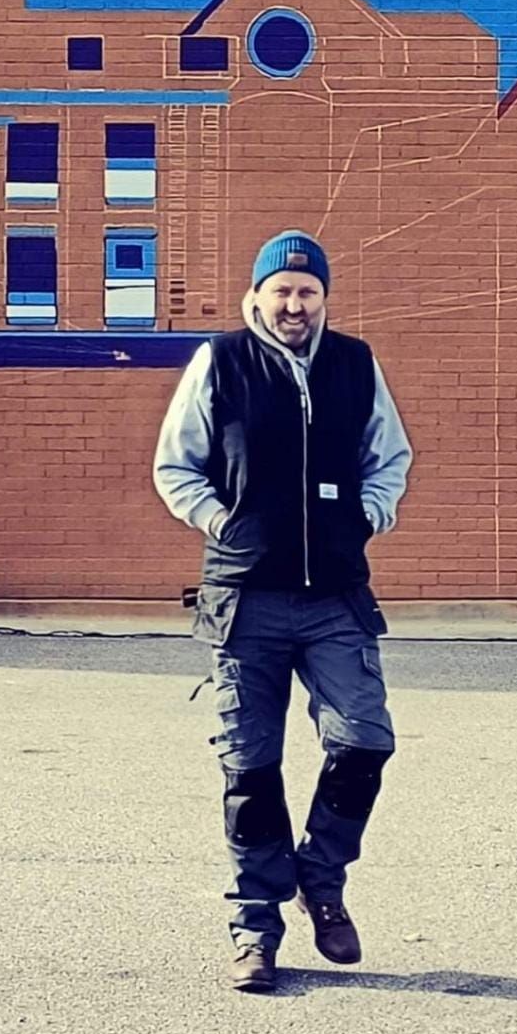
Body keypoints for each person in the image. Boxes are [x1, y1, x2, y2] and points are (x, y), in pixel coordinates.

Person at [152, 229, 413, 993]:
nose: (294, 304)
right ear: (257, 295)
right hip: (245, 599)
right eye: (282, 291)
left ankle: (320, 881)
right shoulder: (221, 360)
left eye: (307, 292)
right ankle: (254, 928)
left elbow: (388, 457)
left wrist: (366, 515)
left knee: (363, 741)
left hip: (334, 596)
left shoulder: (354, 364)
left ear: (322, 298)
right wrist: (219, 520)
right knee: (249, 768)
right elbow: (175, 463)